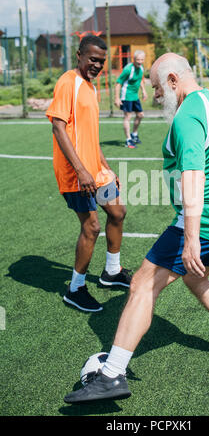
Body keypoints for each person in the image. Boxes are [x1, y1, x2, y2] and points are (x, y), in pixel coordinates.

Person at [64, 52, 209, 404]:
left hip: (207, 220)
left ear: (173, 80)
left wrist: (189, 238)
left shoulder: (186, 117)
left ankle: (111, 375)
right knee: (195, 277)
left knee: (142, 283)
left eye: (156, 87)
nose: (154, 96)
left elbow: (192, 177)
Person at [46, 35, 132, 314]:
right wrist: (82, 171)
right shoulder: (67, 82)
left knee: (117, 212)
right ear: (80, 55)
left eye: (101, 61)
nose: (97, 65)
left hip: (95, 171)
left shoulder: (91, 88)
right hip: (75, 174)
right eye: (92, 59)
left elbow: (90, 135)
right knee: (91, 227)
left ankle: (111, 272)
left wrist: (104, 166)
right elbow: (58, 128)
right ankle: (75, 288)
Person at [115, 50, 148, 148]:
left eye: (142, 59)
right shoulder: (128, 69)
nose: (140, 61)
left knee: (140, 115)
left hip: (135, 96)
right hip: (126, 96)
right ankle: (128, 140)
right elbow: (118, 83)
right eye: (138, 59)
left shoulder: (141, 68)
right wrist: (117, 98)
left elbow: (140, 80)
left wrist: (144, 91)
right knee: (128, 117)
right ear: (134, 59)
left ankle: (134, 134)